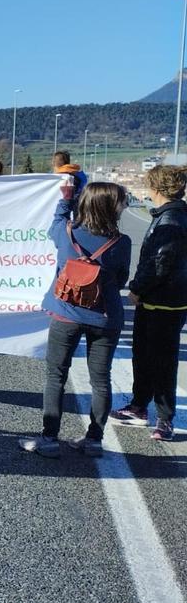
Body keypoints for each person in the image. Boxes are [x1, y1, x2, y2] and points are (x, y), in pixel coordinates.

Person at [19, 182, 131, 459]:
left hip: (66, 314)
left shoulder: (66, 232)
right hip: (106, 317)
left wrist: (65, 200)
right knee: (101, 379)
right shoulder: (122, 242)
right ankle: (94, 440)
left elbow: (55, 223)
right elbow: (121, 280)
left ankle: (49, 438)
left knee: (56, 376)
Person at [111, 165, 187, 441]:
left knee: (162, 361)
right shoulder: (170, 216)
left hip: (164, 302)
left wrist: (137, 289)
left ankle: (165, 419)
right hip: (161, 300)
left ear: (155, 189)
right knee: (142, 355)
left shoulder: (170, 222)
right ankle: (139, 405)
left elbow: (160, 263)